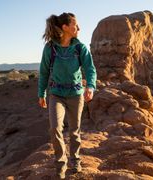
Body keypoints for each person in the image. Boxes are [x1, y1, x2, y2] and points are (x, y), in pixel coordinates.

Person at [38, 12, 96, 179]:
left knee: (74, 131)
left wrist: (90, 87)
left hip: (76, 94)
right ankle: (60, 165)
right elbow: (43, 72)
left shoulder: (80, 48)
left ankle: (75, 160)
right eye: (75, 25)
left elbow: (90, 69)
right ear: (65, 27)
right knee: (55, 128)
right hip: (56, 94)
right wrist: (41, 93)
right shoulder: (50, 48)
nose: (79, 28)